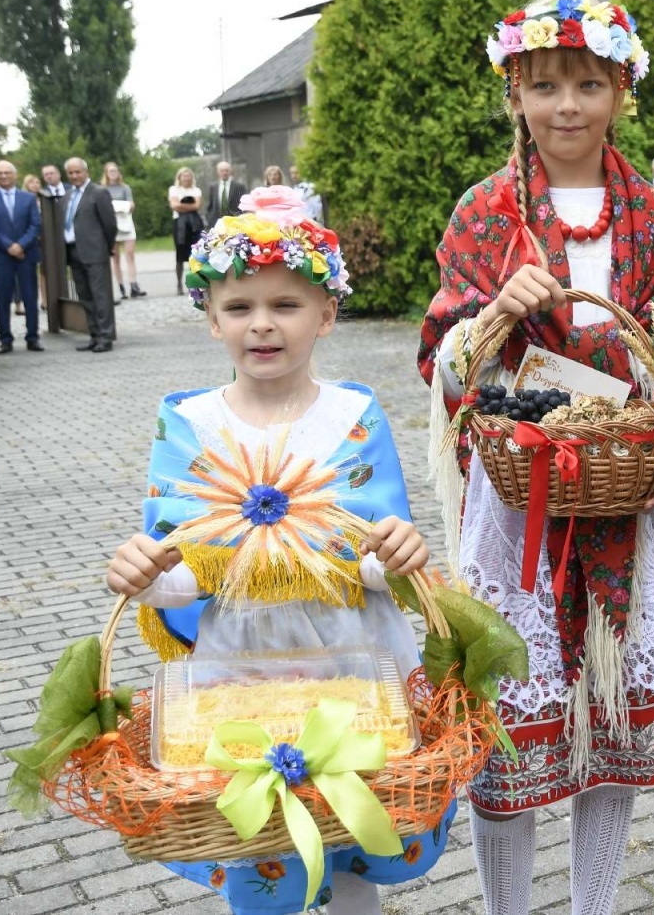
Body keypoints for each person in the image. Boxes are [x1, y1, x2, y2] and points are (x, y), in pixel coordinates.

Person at [417, 0, 654, 915]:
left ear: (622, 90)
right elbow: (444, 368)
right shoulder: (485, 214)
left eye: (589, 83)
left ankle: (595, 907)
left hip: (627, 498)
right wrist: (494, 314)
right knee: (505, 726)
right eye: (545, 86)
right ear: (515, 93)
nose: (568, 105)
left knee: (606, 726)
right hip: (518, 509)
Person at [105, 187, 442, 915]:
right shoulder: (189, 423)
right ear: (211, 319)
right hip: (239, 665)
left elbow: (372, 560)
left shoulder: (353, 416)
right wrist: (146, 576)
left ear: (327, 314)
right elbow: (181, 569)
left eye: (286, 304)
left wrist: (395, 555)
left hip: (354, 656)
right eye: (239, 307)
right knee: (258, 841)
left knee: (352, 825)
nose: (262, 323)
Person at [0, 161, 44, 354]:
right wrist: (8, 246)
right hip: (0, 255)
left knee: (30, 297)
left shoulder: (28, 198)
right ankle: (5, 339)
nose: (3, 176)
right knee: (2, 299)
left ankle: (32, 337)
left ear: (15, 175)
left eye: (7, 173)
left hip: (26, 254)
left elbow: (35, 225)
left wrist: (20, 245)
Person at [62, 157, 118, 352]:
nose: (74, 176)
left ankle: (106, 336)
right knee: (85, 296)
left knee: (100, 296)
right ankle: (94, 335)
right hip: (73, 250)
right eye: (70, 173)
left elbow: (110, 224)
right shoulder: (67, 195)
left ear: (86, 172)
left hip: (95, 251)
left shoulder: (98, 192)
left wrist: (106, 245)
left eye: (77, 172)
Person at [103, 161, 145, 300]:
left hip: (125, 222)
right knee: (115, 258)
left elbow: (131, 205)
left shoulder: (125, 187)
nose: (113, 173)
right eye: (110, 171)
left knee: (130, 255)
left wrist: (123, 207)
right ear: (106, 173)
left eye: (115, 171)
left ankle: (133, 285)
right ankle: (121, 287)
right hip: (112, 224)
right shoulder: (103, 189)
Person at [168, 166, 205, 292]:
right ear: (179, 178)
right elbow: (174, 205)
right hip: (179, 224)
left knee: (195, 253)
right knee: (180, 254)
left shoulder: (196, 190)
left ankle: (194, 282)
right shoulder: (174, 189)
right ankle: (179, 283)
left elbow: (197, 206)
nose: (186, 178)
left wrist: (182, 205)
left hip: (194, 223)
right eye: (184, 176)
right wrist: (189, 206)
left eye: (188, 176)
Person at [23, 172, 49, 311]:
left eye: (37, 182)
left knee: (45, 270)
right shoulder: (23, 200)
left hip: (45, 238)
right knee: (30, 272)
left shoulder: (45, 199)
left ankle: (46, 300)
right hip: (29, 239)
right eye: (31, 182)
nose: (35, 185)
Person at [206, 160, 245, 227]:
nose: (224, 173)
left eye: (226, 170)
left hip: (234, 222)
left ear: (230, 171)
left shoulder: (239, 186)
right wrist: (209, 218)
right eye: (222, 171)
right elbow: (210, 205)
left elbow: (243, 204)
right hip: (217, 223)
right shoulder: (213, 187)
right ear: (218, 172)